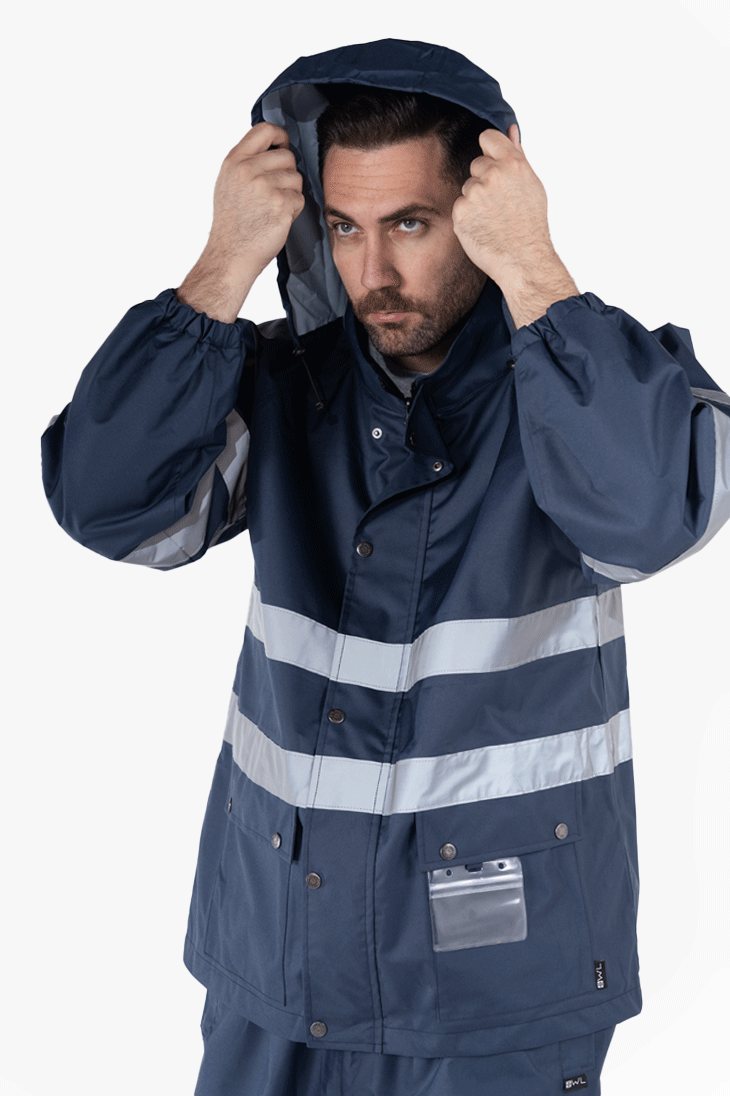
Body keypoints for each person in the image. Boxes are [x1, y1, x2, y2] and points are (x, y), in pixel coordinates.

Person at [41, 37, 730, 1096]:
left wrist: (535, 271)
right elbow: (105, 508)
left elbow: (647, 520)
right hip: (279, 952)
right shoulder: (282, 386)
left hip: (497, 991)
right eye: (343, 227)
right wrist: (219, 269)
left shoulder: (594, 383)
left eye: (411, 223)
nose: (373, 274)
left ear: (485, 208)